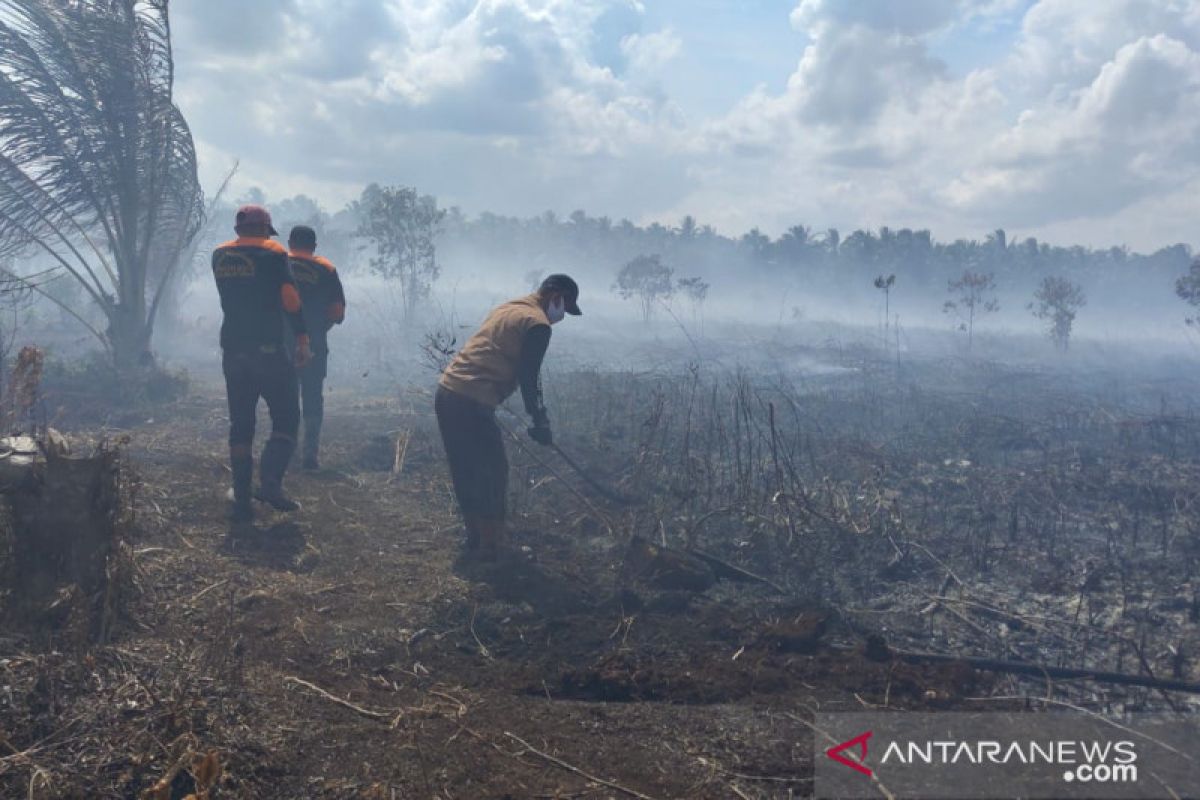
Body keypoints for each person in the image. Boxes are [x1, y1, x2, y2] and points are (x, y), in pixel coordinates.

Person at [435, 274, 581, 559]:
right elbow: (530, 376)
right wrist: (539, 419)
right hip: (471, 400)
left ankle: (476, 539)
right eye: (565, 306)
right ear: (556, 295)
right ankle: (492, 546)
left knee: (466, 470)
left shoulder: (509, 307)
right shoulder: (537, 324)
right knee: (493, 471)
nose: (561, 315)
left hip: (448, 392)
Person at [211, 205, 311, 523]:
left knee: (241, 424)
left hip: (233, 349)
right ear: (266, 229)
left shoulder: (219, 256)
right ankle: (269, 483)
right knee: (286, 417)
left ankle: (241, 495)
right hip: (268, 350)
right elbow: (290, 300)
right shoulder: (273, 254)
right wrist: (302, 338)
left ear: (239, 229)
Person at [286, 225, 346, 470]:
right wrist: (319, 330)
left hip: (282, 344)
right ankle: (310, 454)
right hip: (315, 345)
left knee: (285, 398)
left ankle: (286, 451)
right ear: (314, 246)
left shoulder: (277, 263)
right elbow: (338, 313)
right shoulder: (327, 269)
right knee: (312, 396)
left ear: (290, 242)